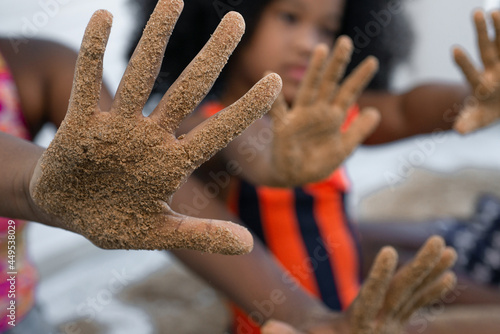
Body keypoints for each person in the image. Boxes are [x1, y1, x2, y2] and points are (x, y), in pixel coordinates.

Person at [129, 0, 500, 333]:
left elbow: (403, 110)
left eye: (326, 28)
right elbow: (237, 141)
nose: (310, 43)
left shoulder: (322, 120)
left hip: (356, 313)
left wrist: (468, 98)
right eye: (290, 17)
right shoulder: (208, 123)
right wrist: (271, 159)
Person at [0, 0, 286, 331]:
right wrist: (33, 184)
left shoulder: (34, 66)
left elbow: (141, 183)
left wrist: (311, 318)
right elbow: (25, 181)